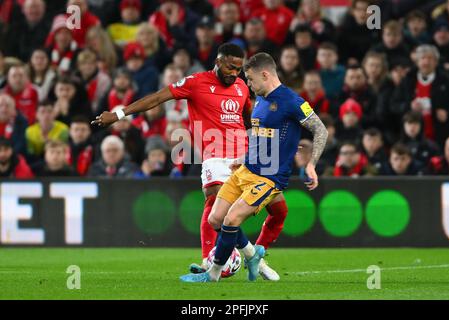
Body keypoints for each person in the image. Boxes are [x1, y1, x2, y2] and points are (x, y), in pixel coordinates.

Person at [92, 43, 289, 281]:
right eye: (230, 67)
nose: (234, 73)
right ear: (217, 62)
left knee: (279, 210)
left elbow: (250, 121)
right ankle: (214, 259)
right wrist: (118, 115)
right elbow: (156, 98)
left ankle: (257, 254)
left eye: (238, 69)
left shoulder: (241, 87)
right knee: (215, 203)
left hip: (246, 156)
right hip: (215, 156)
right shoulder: (195, 82)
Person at [179, 52, 328, 282]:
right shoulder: (260, 100)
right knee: (215, 219)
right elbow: (261, 135)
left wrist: (311, 164)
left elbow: (320, 130)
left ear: (265, 74)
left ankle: (213, 274)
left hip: (268, 177)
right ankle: (253, 255)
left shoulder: (292, 101)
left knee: (231, 220)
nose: (247, 83)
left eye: (250, 79)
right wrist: (246, 157)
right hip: (245, 169)